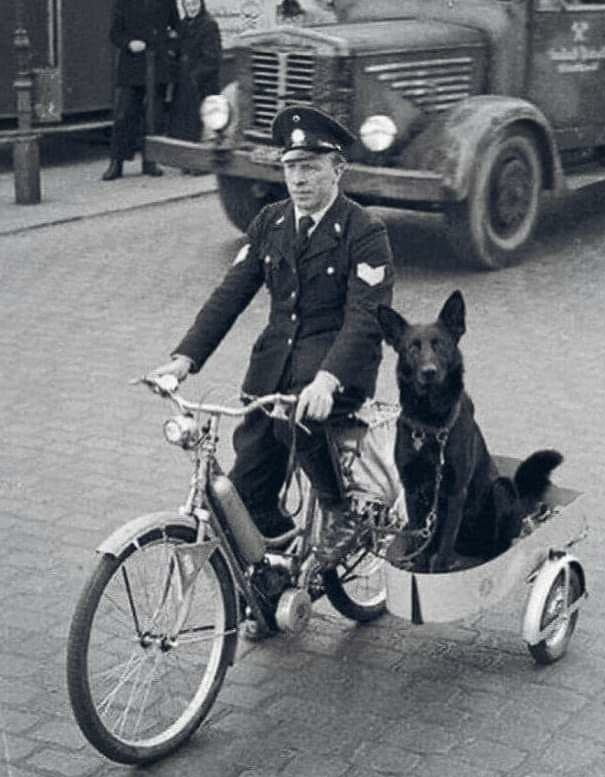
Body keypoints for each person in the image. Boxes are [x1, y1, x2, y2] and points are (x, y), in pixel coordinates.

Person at [150, 106, 394, 566]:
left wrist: (327, 381)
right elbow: (230, 294)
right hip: (272, 372)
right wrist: (184, 359)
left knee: (297, 419)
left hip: (335, 370)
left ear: (338, 169)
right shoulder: (270, 222)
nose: (298, 179)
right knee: (244, 491)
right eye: (291, 167)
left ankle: (340, 512)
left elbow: (365, 319)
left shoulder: (364, 231)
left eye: (311, 167)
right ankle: (275, 564)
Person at [102, 0, 179, 181]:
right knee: (124, 114)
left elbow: (176, 28)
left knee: (153, 115)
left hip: (157, 65)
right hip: (132, 66)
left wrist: (169, 50)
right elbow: (115, 33)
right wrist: (129, 43)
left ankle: (150, 161)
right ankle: (116, 162)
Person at [168, 0, 222, 146]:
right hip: (184, 82)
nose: (192, 8)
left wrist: (195, 76)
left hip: (202, 84)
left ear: (201, 4)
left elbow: (212, 57)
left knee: (199, 125)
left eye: (195, 4)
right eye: (188, 5)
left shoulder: (209, 24)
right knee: (183, 126)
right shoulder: (183, 24)